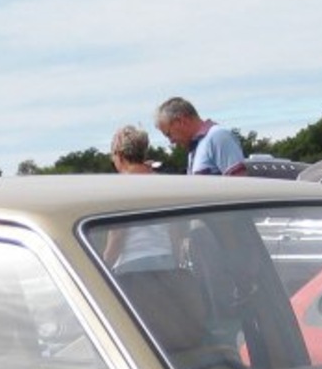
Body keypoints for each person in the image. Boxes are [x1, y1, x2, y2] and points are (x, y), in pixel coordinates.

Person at [99, 125, 177, 271]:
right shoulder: (164, 183)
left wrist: (103, 266)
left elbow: (117, 235)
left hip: (133, 264)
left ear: (119, 155)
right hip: (166, 259)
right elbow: (174, 228)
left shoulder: (121, 187)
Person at [155, 97, 246, 176]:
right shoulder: (195, 148)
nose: (171, 141)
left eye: (169, 134)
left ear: (181, 121)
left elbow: (240, 185)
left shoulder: (218, 137)